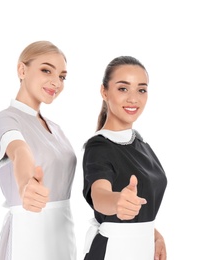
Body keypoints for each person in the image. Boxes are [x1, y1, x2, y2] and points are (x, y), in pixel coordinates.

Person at [0, 40, 77, 260]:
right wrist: (26, 184)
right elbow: (19, 150)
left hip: (62, 232)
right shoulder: (6, 119)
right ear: (22, 69)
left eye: (62, 76)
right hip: (29, 235)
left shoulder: (56, 128)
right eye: (46, 70)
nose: (56, 82)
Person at [82, 56, 167, 260]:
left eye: (141, 89)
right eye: (123, 88)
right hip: (114, 251)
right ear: (104, 91)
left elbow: (142, 207)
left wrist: (154, 236)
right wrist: (117, 201)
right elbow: (100, 195)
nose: (133, 99)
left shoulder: (140, 143)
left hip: (142, 249)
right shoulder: (99, 145)